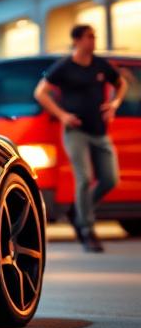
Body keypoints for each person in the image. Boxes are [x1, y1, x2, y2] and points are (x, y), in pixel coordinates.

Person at [34, 24, 127, 252]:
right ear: (77, 40)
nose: (93, 41)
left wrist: (114, 103)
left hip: (100, 131)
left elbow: (121, 83)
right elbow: (41, 92)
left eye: (94, 36)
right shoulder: (65, 66)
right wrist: (63, 115)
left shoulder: (100, 64)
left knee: (110, 179)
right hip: (76, 132)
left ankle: (78, 210)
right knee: (84, 178)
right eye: (89, 37)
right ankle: (87, 230)